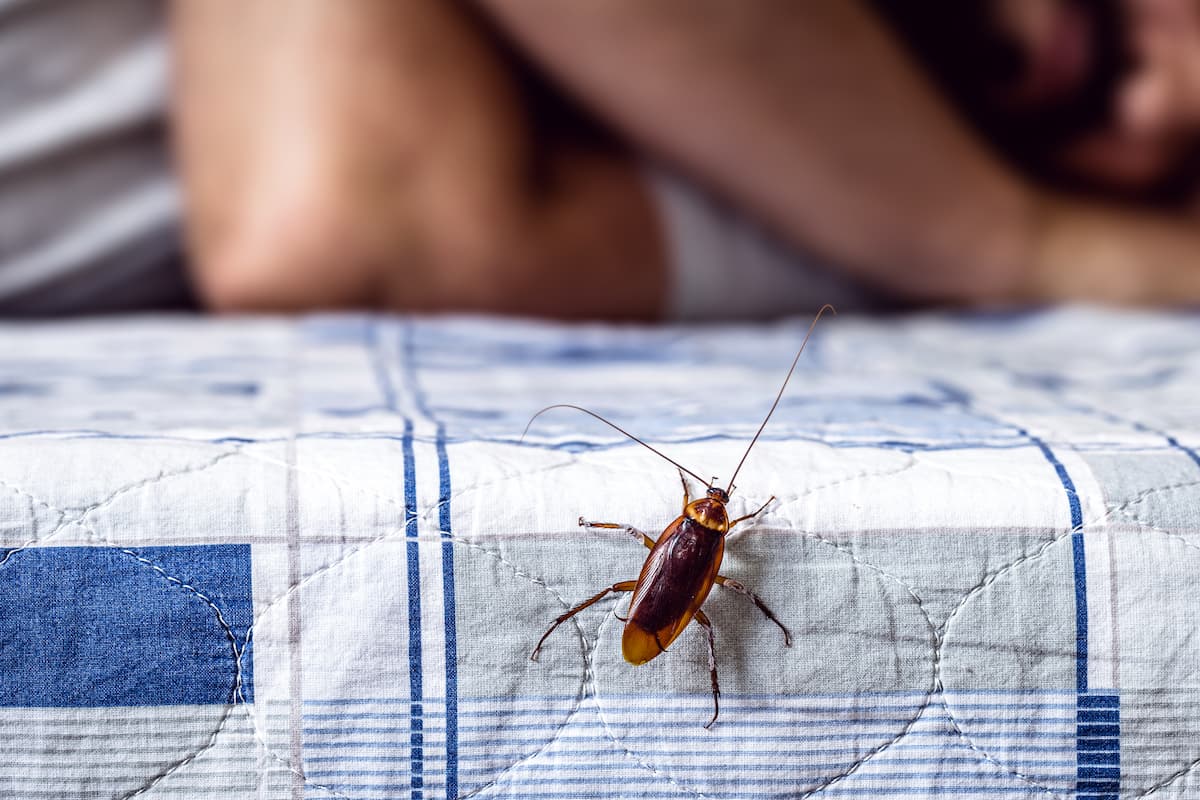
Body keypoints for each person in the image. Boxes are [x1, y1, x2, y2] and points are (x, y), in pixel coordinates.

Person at [10, 1, 1200, 318]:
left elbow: (353, 234)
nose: (1162, 105)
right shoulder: (933, 216)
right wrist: (1021, 241)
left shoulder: (852, 211)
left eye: (1192, 163)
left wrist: (1007, 237)